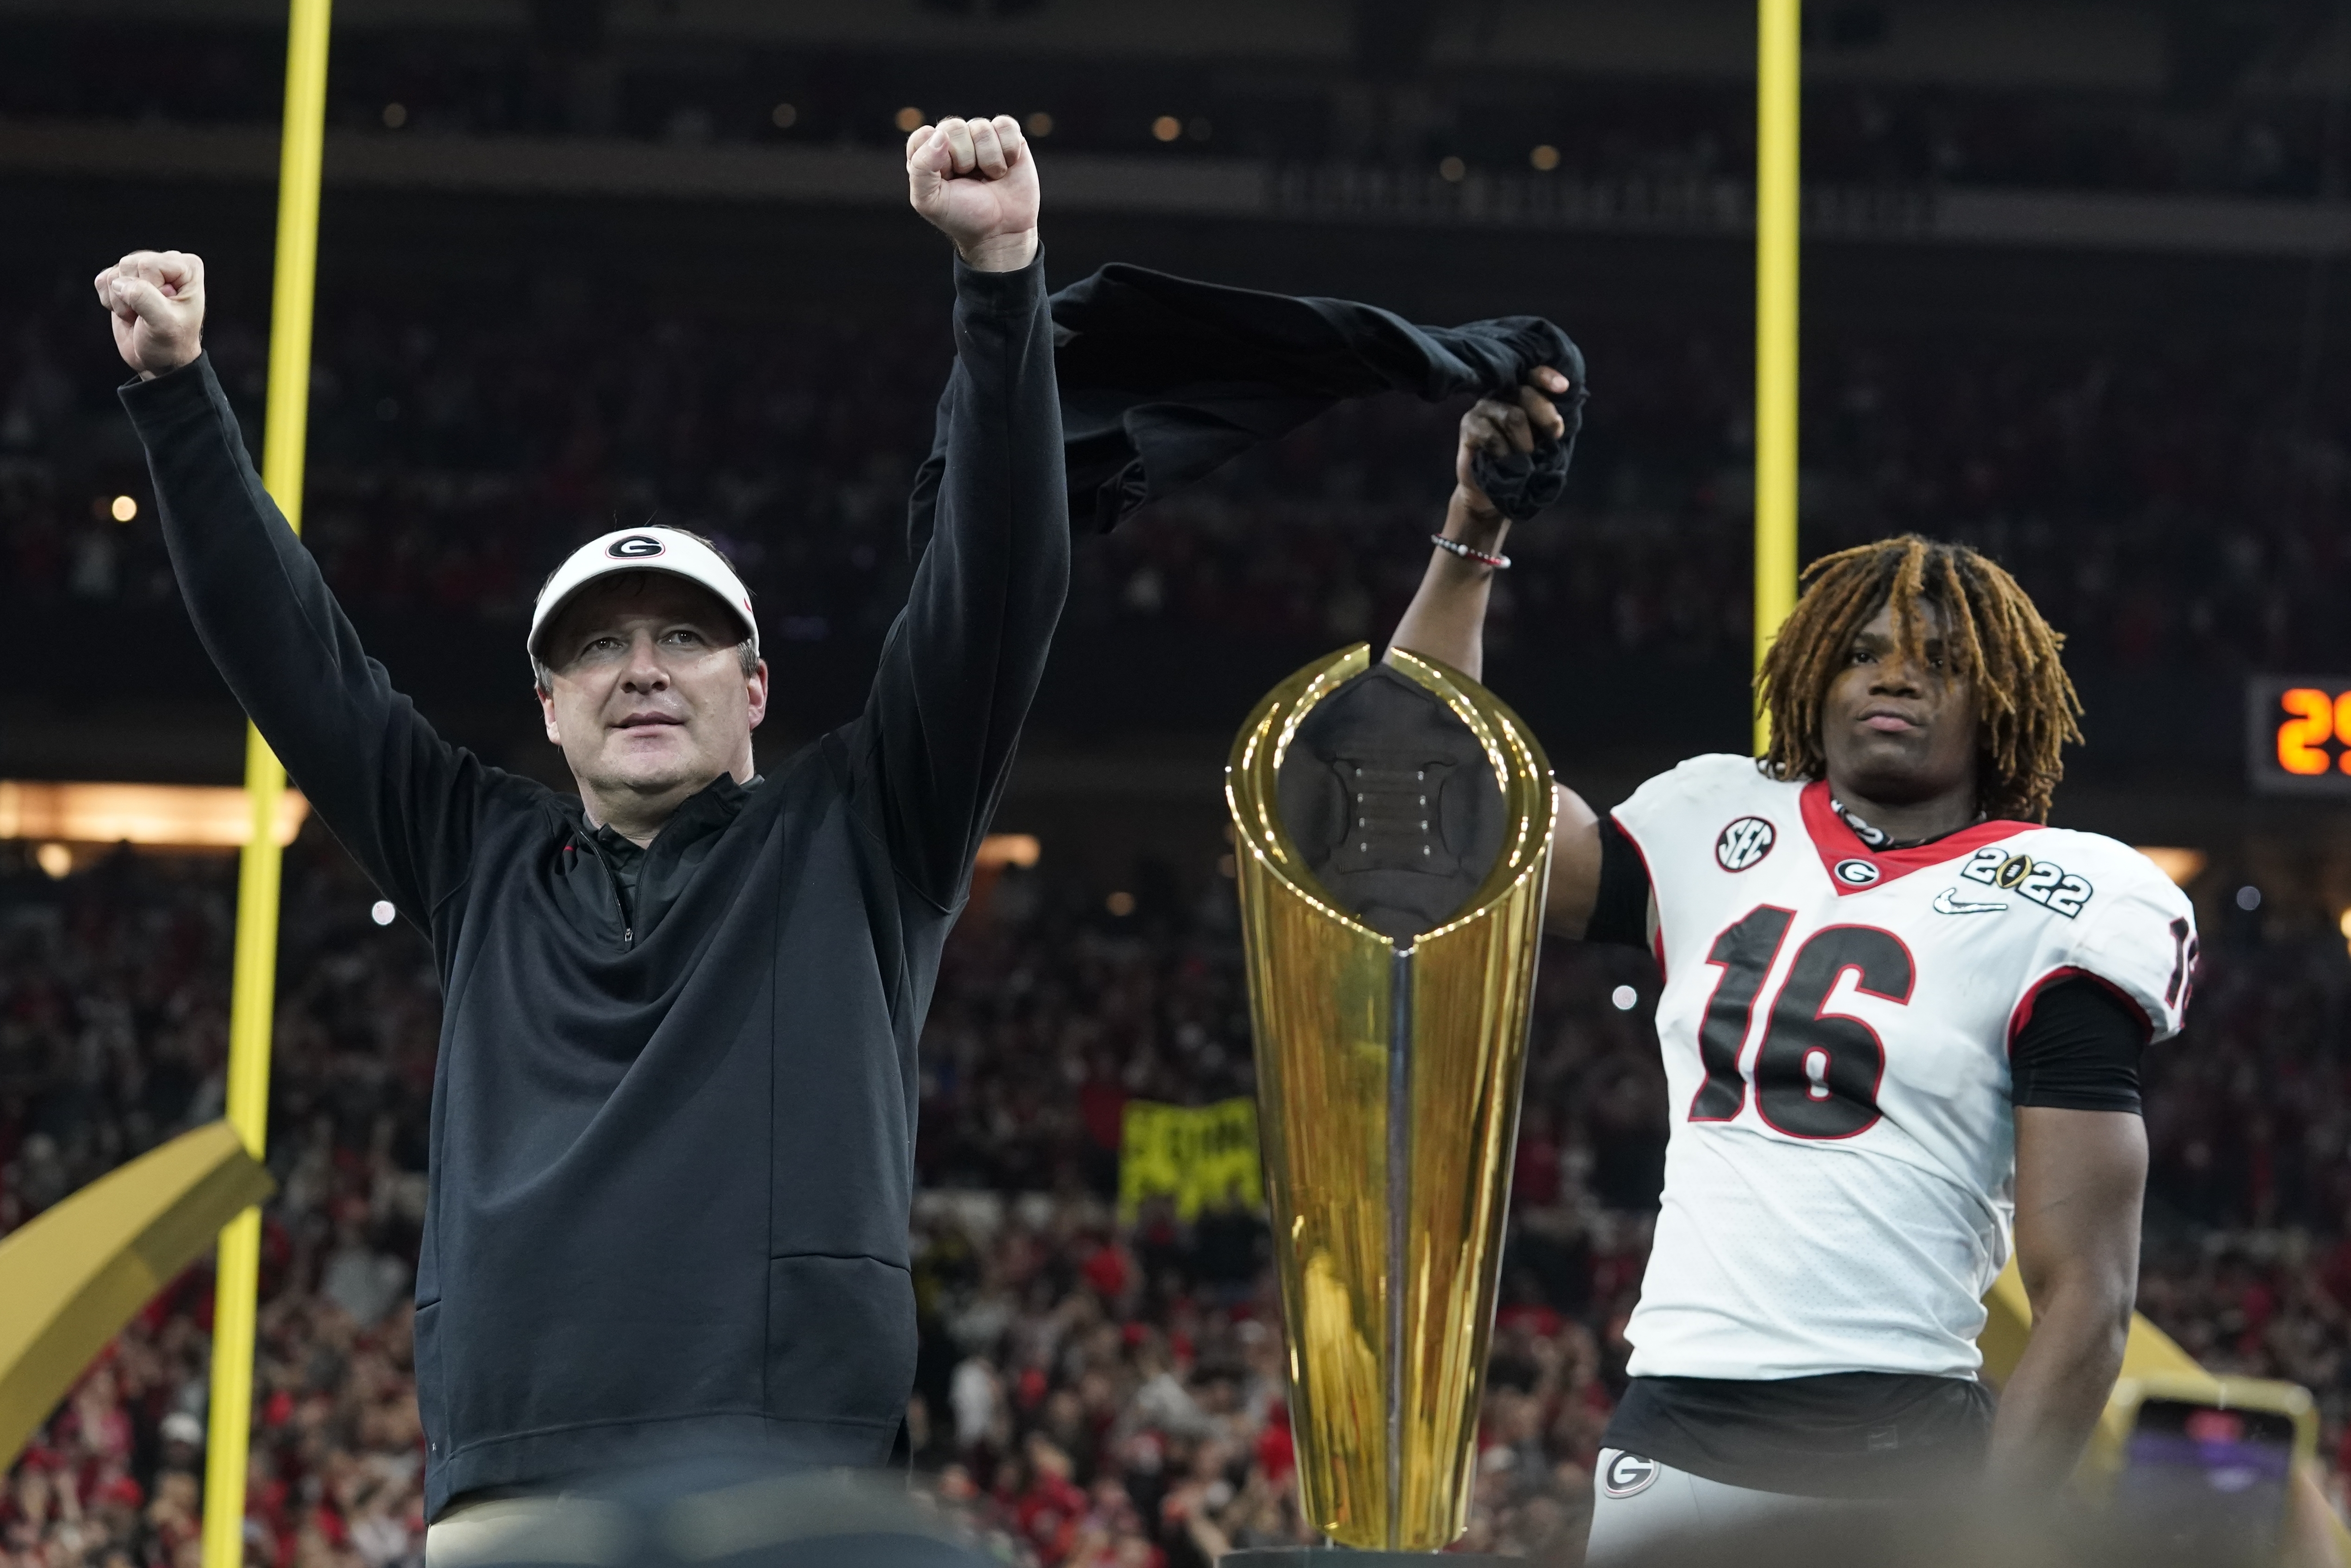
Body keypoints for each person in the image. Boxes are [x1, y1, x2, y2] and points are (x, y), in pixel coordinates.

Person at [94, 114, 1066, 1549]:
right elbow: (296, 661)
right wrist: (179, 405)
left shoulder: (865, 831)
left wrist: (1000, 283)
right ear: (550, 710)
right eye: (598, 649)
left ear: (754, 687)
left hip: (789, 1484)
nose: (643, 667)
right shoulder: (480, 855)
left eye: (685, 634)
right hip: (511, 1493)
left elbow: (995, 587)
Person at [1388, 381, 2199, 1557]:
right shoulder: (1715, 821)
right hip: (1668, 1426)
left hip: (1891, 1444)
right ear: (1813, 676)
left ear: (1999, 702)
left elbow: (2086, 1302)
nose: (1894, 674)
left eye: (1938, 660)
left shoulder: (2064, 898)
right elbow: (1438, 798)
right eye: (1863, 652)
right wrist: (1473, 532)